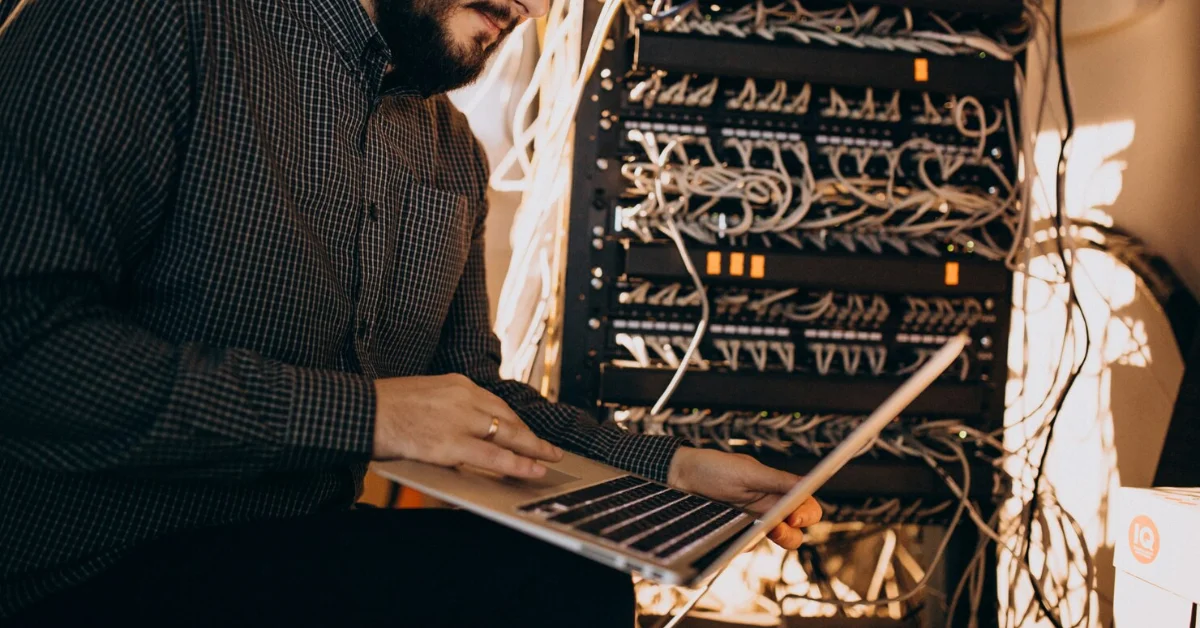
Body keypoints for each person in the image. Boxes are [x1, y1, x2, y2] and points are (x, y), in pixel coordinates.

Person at [0, 0, 822, 624]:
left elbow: (472, 397)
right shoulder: (143, 22)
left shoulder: (452, 151)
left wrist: (670, 470)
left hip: (292, 548)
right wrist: (365, 415)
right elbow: (23, 349)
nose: (533, 7)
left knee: (576, 583)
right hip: (79, 567)